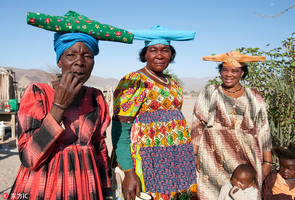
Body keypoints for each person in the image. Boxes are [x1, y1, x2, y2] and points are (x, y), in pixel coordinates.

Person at [9, 11, 133, 200]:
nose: (80, 62)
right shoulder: (38, 93)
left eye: (88, 56)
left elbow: (100, 147)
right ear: (59, 61)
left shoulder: (95, 97)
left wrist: (107, 189)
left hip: (87, 186)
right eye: (71, 55)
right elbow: (29, 159)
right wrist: (59, 105)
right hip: (45, 186)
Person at [111, 25, 197, 200]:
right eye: (153, 50)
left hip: (177, 158)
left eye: (165, 50)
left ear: (171, 54)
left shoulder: (173, 83)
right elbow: (120, 130)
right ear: (145, 54)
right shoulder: (134, 81)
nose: (159, 55)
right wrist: (128, 171)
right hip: (148, 160)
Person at [191, 50, 273, 199]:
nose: (229, 74)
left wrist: (268, 161)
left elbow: (263, 128)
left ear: (242, 73)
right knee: (211, 193)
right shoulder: (210, 92)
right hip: (212, 155)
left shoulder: (254, 95)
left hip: (246, 156)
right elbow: (198, 125)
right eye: (225, 70)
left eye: (234, 71)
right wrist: (194, 154)